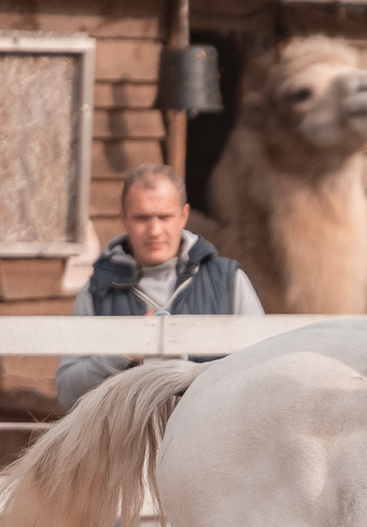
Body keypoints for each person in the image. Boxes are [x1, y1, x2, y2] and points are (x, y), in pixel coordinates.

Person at [56, 164, 264, 412]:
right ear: (123, 218)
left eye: (164, 217)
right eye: (142, 218)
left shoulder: (229, 280)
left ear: (183, 216)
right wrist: (121, 353)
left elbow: (264, 367)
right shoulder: (97, 292)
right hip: (128, 448)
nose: (154, 231)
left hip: (212, 443)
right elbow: (67, 392)